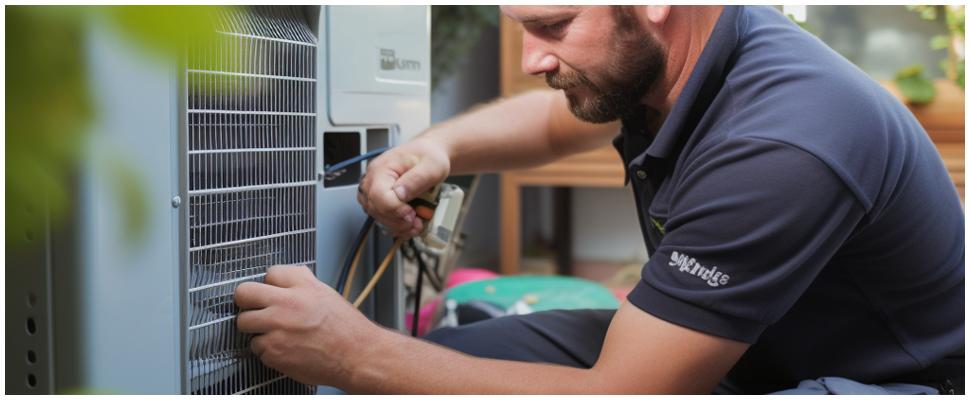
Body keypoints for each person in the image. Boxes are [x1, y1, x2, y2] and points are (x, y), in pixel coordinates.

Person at [233, 5, 964, 394]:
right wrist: (439, 149)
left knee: (393, 368)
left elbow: (627, 394)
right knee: (444, 364)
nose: (532, 61)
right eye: (521, 28)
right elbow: (556, 118)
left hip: (880, 383)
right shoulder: (688, 51)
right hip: (760, 344)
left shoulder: (782, 143)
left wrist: (353, 355)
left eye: (552, 27)